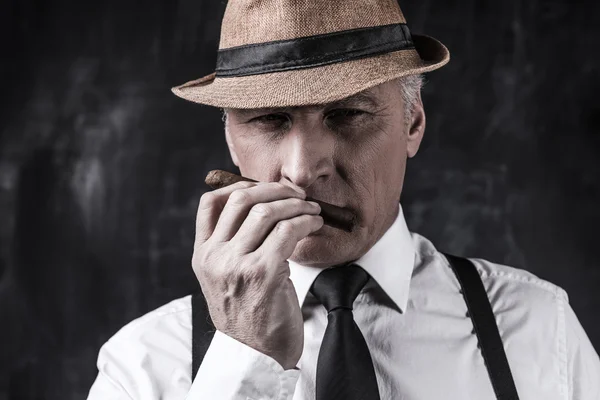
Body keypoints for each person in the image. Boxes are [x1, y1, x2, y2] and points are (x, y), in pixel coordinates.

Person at [87, 0, 600, 399]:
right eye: (270, 120)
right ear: (230, 141)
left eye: (347, 114)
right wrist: (245, 355)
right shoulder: (144, 365)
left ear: (412, 123)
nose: (303, 168)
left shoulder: (536, 328)